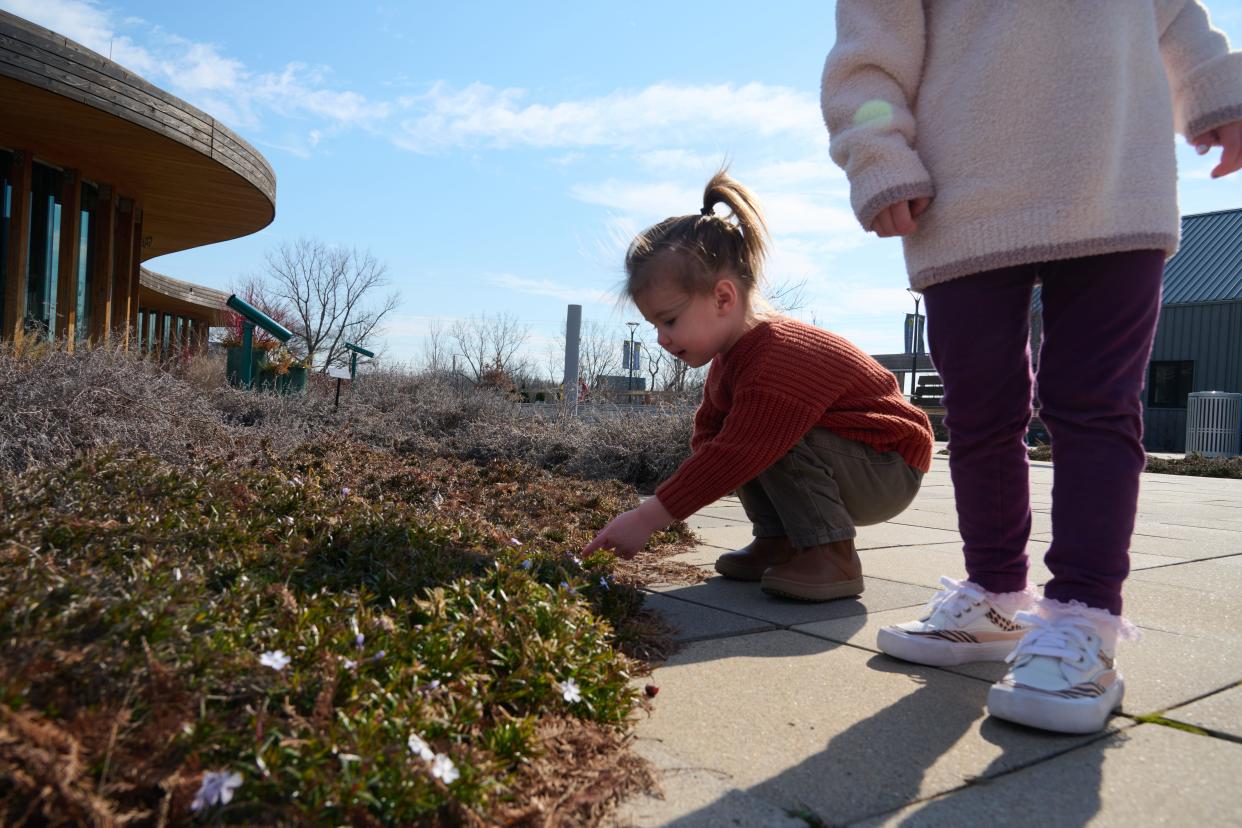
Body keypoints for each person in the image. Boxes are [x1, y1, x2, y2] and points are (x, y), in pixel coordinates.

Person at [822, 1, 1242, 734]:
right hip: (959, 191)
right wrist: (877, 151)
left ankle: (1085, 617)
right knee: (980, 411)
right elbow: (869, 51)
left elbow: (1174, 14)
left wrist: (1218, 93)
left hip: (1116, 170)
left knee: (1096, 404)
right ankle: (993, 598)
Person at [583, 171, 934, 602]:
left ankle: (833, 555)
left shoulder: (777, 354)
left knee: (764, 438)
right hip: (857, 460)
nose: (661, 337)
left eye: (669, 319)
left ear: (723, 298)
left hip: (888, 467)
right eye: (655, 324)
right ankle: (779, 541)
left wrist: (649, 517)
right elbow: (713, 441)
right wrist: (706, 470)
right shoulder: (733, 357)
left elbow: (742, 449)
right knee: (747, 439)